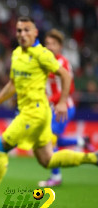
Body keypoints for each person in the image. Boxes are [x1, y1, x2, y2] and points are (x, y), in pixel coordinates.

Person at [0, 16, 97, 206]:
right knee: (47, 160)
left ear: (35, 33)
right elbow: (12, 84)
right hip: (38, 115)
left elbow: (65, 75)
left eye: (27, 30)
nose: (22, 34)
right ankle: (92, 157)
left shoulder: (42, 54)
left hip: (32, 113)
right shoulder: (17, 54)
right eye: (19, 30)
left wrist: (63, 101)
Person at [38, 29, 95, 187]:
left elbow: (69, 89)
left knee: (50, 141)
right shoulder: (44, 62)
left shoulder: (62, 63)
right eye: (47, 43)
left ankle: (56, 176)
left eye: (53, 44)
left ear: (60, 46)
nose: (50, 47)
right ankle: (81, 141)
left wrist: (50, 99)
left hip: (64, 108)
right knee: (55, 140)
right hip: (52, 109)